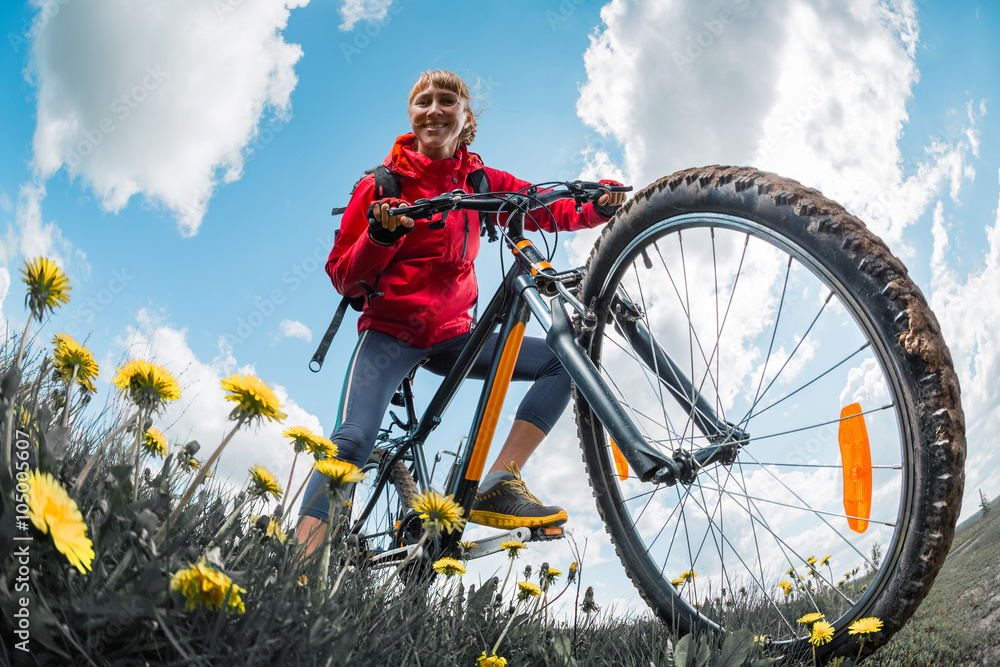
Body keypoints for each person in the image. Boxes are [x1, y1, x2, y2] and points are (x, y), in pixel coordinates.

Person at [295, 70, 627, 556]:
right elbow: (345, 276)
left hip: (455, 337)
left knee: (567, 360)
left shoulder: (480, 181)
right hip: (390, 335)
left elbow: (542, 208)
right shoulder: (381, 185)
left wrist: (597, 203)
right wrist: (381, 237)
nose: (433, 109)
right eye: (423, 101)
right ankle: (297, 569)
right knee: (352, 442)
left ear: (465, 116)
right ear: (411, 114)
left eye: (446, 100)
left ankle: (500, 480)